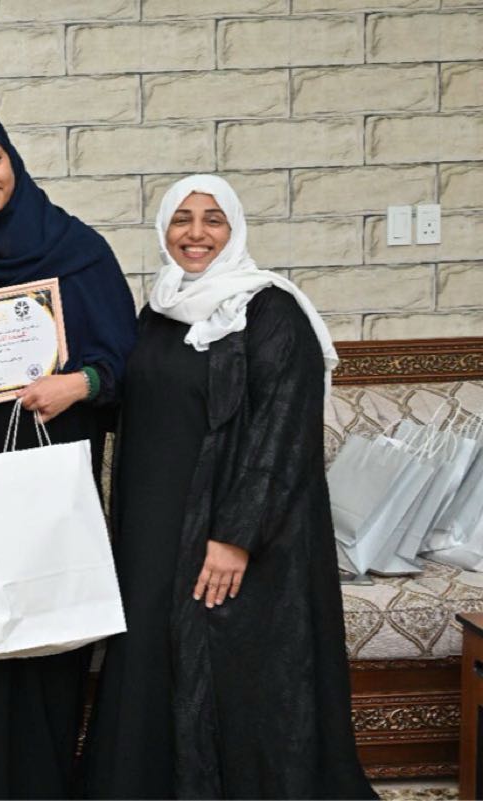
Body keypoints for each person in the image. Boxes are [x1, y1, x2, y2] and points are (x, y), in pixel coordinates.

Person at [81, 174, 375, 799]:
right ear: (163, 228)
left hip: (238, 532)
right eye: (182, 219)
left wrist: (235, 536)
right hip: (154, 524)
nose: (196, 234)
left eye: (212, 219)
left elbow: (284, 432)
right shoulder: (159, 309)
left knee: (230, 668)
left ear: (235, 228)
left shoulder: (270, 310)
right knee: (152, 655)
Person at [0, 108, 137, 799]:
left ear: (13, 160)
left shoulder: (78, 249)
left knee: (44, 613)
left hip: (49, 461)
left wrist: (80, 383)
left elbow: (127, 361)